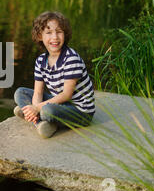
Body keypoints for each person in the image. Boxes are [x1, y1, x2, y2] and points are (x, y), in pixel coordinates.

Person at [13, 11, 95, 139]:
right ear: (40, 36)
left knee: (47, 110)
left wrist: (37, 108)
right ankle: (40, 122)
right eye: (49, 32)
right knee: (20, 92)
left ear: (65, 34)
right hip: (61, 104)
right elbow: (38, 92)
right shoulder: (40, 61)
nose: (55, 37)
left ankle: (30, 114)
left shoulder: (71, 58)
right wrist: (35, 107)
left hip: (80, 111)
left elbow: (66, 95)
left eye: (59, 32)